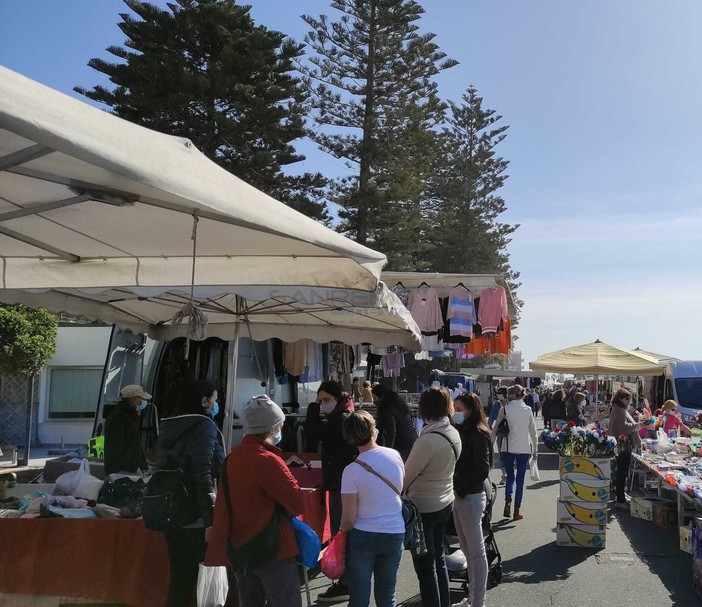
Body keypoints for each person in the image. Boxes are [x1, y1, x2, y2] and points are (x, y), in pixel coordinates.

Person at [206, 395, 305, 607]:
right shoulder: (267, 460)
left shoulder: (232, 458)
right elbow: (297, 504)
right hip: (274, 549)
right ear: (272, 427)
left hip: (242, 548)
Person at [156, 380, 225, 607]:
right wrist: (210, 520)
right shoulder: (204, 426)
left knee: (180, 582)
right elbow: (203, 474)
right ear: (204, 401)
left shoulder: (169, 426)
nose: (216, 405)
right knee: (200, 584)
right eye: (214, 400)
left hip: (172, 511)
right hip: (195, 515)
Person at [340, 411, 406, 607]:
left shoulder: (351, 471)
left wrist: (341, 534)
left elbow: (348, 519)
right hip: (394, 531)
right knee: (387, 596)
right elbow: (400, 489)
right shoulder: (394, 455)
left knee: (359, 597)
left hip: (364, 535)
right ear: (372, 430)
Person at [403, 388, 461, 607]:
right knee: (438, 560)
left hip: (424, 507)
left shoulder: (427, 441)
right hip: (445, 500)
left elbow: (406, 476)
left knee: (425, 566)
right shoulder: (452, 432)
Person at [317, 380, 357, 603]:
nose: (323, 404)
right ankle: (347, 581)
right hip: (343, 483)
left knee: (341, 534)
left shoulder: (338, 420)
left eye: (325, 400)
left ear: (336, 397)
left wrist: (313, 412)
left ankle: (345, 583)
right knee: (344, 534)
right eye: (320, 401)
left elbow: (316, 434)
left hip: (340, 484)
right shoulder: (347, 413)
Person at [451, 393, 493, 607]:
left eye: (459, 409)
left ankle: (478, 601)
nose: (455, 413)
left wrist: (462, 488)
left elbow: (482, 468)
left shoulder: (477, 433)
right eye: (454, 408)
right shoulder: (463, 430)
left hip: (471, 495)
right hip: (462, 495)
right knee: (468, 550)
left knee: (475, 553)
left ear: (470, 409)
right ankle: (473, 598)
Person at [492, 384, 537, 521]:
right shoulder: (528, 410)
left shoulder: (504, 409)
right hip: (524, 448)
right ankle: (517, 510)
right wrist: (535, 450)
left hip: (508, 447)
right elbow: (533, 433)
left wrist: (490, 445)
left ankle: (508, 502)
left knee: (510, 477)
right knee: (520, 479)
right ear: (522, 395)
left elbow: (495, 430)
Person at [103, 384, 150, 476]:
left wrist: (144, 466)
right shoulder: (118, 418)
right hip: (122, 471)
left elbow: (134, 446)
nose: (144, 402)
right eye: (142, 399)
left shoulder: (129, 417)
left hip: (129, 469)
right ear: (134, 399)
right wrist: (134, 468)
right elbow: (118, 449)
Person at [608, 389, 643, 509]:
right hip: (621, 443)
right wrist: (638, 425)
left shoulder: (619, 409)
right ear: (620, 398)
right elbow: (623, 428)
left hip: (622, 442)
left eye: (630, 398)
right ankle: (620, 499)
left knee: (622, 471)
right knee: (622, 471)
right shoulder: (618, 410)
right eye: (627, 398)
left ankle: (621, 495)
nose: (629, 401)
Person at [372, 383, 418, 461]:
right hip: (413, 441)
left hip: (403, 445)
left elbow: (391, 432)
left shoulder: (387, 410)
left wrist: (388, 453)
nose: (373, 401)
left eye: (375, 398)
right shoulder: (399, 405)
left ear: (382, 397)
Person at [488, 387, 508, 484]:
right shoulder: (512, 403)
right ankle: (507, 474)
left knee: (501, 454)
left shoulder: (497, 404)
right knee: (508, 454)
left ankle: (505, 475)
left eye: (499, 393)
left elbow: (491, 418)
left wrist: (489, 429)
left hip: (500, 432)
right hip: (511, 433)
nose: (497, 395)